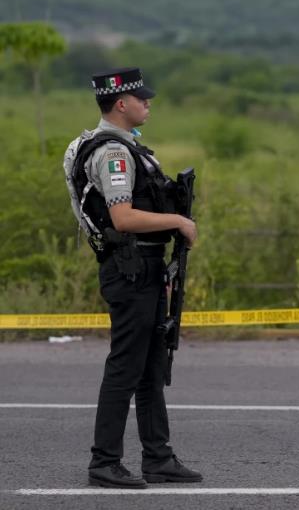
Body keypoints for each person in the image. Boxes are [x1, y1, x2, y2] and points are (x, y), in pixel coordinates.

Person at [64, 67, 200, 489]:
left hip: (144, 267)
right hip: (132, 268)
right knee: (126, 367)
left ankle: (158, 458)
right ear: (121, 104)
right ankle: (104, 462)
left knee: (151, 366)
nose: (148, 104)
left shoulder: (116, 146)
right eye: (142, 99)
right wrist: (178, 219)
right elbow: (122, 217)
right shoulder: (114, 153)